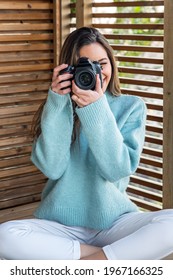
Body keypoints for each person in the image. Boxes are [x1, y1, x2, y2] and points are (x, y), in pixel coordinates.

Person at [0, 27, 173, 260]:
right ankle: (108, 264)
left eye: (102, 64)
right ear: (69, 70)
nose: (97, 74)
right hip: (60, 225)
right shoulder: (58, 107)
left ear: (113, 64)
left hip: (114, 223)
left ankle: (82, 267)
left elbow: (117, 170)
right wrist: (56, 103)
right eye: (86, 67)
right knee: (5, 235)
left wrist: (95, 108)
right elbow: (52, 168)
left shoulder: (132, 106)